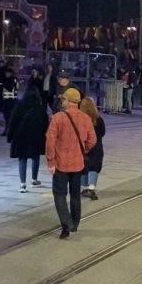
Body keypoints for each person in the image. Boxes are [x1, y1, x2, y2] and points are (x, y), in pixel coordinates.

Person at [45, 88, 96, 238]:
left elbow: (50, 141)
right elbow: (92, 140)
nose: (62, 102)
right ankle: (74, 223)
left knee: (60, 194)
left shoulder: (58, 118)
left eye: (63, 100)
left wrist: (50, 160)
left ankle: (66, 224)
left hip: (61, 164)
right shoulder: (85, 118)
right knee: (75, 195)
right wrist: (82, 151)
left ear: (68, 101)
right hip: (77, 164)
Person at [7, 87, 49, 193]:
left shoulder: (19, 106)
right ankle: (34, 180)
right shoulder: (40, 108)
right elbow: (46, 124)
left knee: (22, 159)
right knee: (35, 158)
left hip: (20, 137)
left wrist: (9, 136)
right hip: (36, 138)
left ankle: (22, 184)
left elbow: (12, 122)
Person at [79, 96, 105, 200]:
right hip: (96, 146)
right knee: (94, 167)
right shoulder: (98, 119)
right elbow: (102, 132)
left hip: (83, 146)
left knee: (83, 167)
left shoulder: (79, 118)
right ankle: (91, 187)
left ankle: (84, 188)